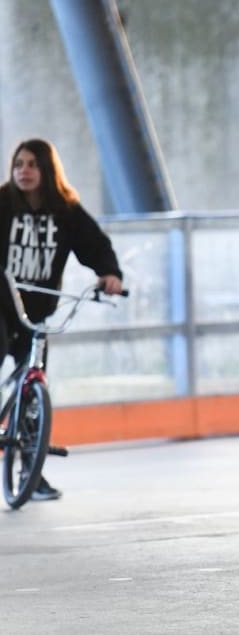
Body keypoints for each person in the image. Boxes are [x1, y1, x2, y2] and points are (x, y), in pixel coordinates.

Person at [2, 138, 124, 501]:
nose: (24, 170)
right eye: (18, 163)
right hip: (2, 305)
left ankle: (32, 473)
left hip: (37, 313)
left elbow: (95, 245)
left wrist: (109, 274)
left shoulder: (66, 211)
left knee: (34, 392)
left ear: (47, 170)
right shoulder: (2, 203)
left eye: (32, 164)